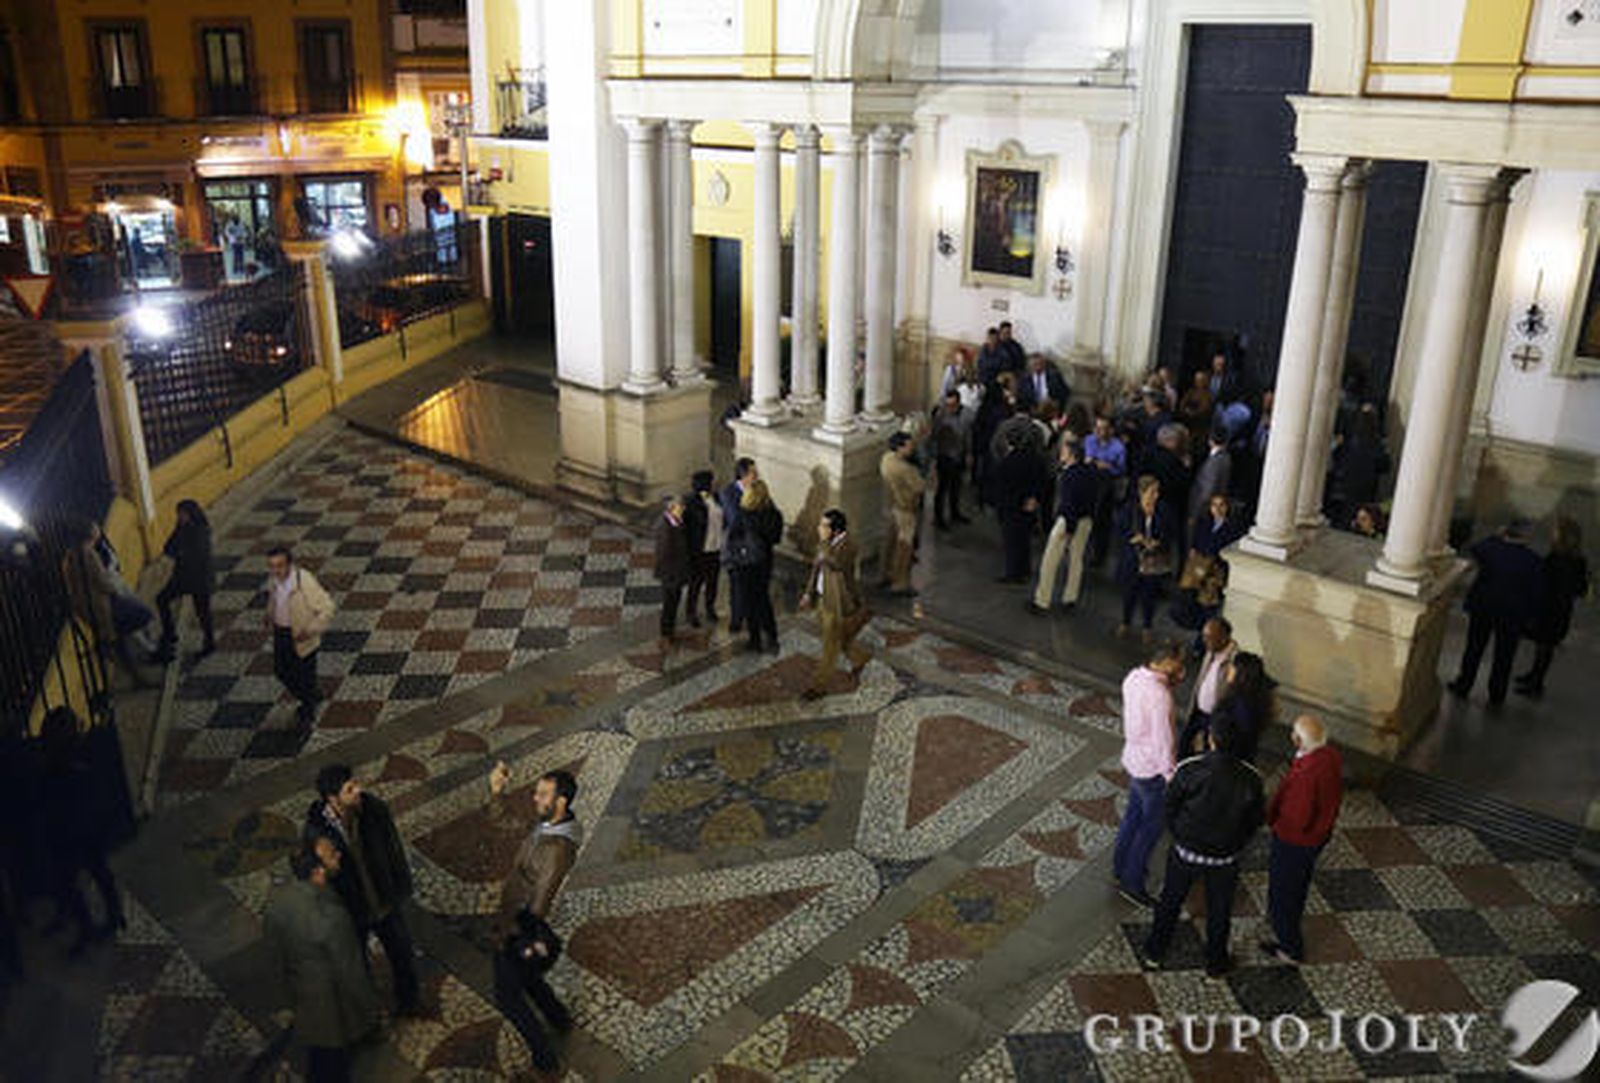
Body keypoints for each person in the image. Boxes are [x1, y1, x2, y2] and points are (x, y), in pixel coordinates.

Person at [1139, 710, 1265, 979]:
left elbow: (1170, 806)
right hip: (1224, 858)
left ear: (1211, 739)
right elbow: (1254, 821)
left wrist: (1180, 834)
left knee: (1170, 901)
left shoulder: (1190, 769)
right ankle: (1215, 962)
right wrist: (1236, 844)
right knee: (1219, 910)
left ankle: (1154, 952)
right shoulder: (1251, 778)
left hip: (1186, 851)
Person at [303, 765, 420, 1017]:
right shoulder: (316, 831)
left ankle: (409, 1001)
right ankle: (367, 1014)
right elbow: (313, 873)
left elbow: (393, 850)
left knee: (402, 952)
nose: (359, 791)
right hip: (352, 909)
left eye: (355, 784)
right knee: (356, 966)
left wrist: (400, 887)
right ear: (333, 799)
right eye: (350, 789)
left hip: (384, 898)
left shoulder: (374, 810)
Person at [489, 763, 580, 1073]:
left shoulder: (557, 847)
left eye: (543, 795)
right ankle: (559, 1018)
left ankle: (546, 1061)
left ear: (561, 802)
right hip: (515, 921)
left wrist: (512, 935)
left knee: (507, 997)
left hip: (520, 926)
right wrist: (497, 794)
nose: (535, 799)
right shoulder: (547, 825)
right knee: (527, 978)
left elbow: (539, 904)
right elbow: (509, 822)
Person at [264, 845, 380, 1083]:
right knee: (333, 1063)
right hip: (331, 1000)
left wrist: (283, 998)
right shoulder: (331, 917)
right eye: (331, 855)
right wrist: (368, 1008)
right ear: (318, 872)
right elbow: (350, 970)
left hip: (302, 992)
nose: (338, 854)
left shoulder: (278, 900)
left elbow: (274, 954)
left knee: (319, 1052)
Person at [38, 707, 125, 954]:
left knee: (73, 881)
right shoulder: (81, 761)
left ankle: (89, 928)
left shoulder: (59, 768)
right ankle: (113, 913)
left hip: (71, 829)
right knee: (98, 871)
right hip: (86, 826)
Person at [1261, 715, 1343, 965]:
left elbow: (1297, 817)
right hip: (1317, 836)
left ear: (1297, 740)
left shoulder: (1306, 775)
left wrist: (1274, 823)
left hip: (1295, 841)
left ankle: (1290, 947)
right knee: (1295, 887)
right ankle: (1287, 933)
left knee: (1284, 893)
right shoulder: (1329, 756)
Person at [1113, 644, 1184, 908]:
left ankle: (1121, 866)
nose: (1181, 668)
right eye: (1179, 663)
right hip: (1153, 770)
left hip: (1134, 761)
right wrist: (1170, 775)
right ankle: (1132, 883)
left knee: (1133, 817)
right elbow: (1163, 740)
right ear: (1167, 662)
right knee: (1150, 829)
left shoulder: (1133, 677)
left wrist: (1170, 684)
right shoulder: (1159, 695)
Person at [1447, 520, 1545, 707]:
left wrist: (1495, 536)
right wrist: (1532, 617)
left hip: (1484, 607)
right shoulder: (1533, 560)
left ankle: (1464, 684)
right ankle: (1496, 694)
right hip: (1513, 614)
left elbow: (1474, 548)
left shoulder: (1491, 549)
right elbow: (1536, 592)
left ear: (1506, 532)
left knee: (1474, 649)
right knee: (1504, 656)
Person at [64, 520, 158, 687]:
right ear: (89, 533)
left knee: (117, 641)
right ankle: (138, 676)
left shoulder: (72, 556)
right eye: (94, 527)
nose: (98, 529)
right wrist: (115, 591)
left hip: (90, 607)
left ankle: (136, 673)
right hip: (101, 606)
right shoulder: (88, 554)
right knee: (124, 633)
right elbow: (101, 581)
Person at [801, 508, 871, 700]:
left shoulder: (848, 546)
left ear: (837, 530)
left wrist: (823, 543)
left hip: (839, 603)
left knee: (830, 645)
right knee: (838, 638)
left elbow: (834, 563)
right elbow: (817, 567)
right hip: (823, 599)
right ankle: (860, 658)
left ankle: (819, 686)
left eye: (824, 525)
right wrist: (808, 593)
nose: (819, 528)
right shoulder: (825, 544)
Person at [1517, 517, 1590, 698]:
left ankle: (1536, 684)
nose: (1553, 533)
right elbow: (1580, 589)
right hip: (1561, 610)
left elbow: (1547, 582)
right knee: (1544, 646)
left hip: (1551, 609)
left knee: (1545, 647)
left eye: (1556, 530)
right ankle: (1534, 676)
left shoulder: (1559, 558)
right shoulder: (1577, 559)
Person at [264, 546, 334, 729]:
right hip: (282, 633)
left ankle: (308, 711)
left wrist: (311, 630)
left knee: (305, 675)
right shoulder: (274, 580)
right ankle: (310, 696)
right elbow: (274, 599)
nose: (275, 570)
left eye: (279, 565)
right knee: (281, 671)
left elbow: (327, 607)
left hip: (303, 637)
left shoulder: (304, 581)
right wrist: (269, 615)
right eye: (271, 566)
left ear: (289, 565)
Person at [1030, 439, 1101, 615]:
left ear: (1071, 455)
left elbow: (1069, 503)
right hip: (1086, 520)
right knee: (1076, 560)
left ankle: (1042, 600)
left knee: (1050, 559)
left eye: (1063, 451)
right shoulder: (1090, 473)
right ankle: (1070, 598)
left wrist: (1069, 528)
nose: (1061, 454)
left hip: (1067, 521)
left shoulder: (1068, 475)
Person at [155, 498, 215, 663]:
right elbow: (168, 547)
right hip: (182, 576)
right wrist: (180, 550)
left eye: (182, 514)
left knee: (203, 612)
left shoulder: (201, 530)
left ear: (191, 514)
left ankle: (209, 643)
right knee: (161, 599)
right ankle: (170, 633)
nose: (179, 517)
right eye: (178, 514)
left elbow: (196, 555)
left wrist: (180, 552)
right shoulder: (181, 528)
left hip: (199, 578)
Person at [727, 479, 783, 653]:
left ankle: (755, 640)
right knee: (763, 599)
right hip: (764, 561)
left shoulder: (743, 514)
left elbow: (732, 538)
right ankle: (772, 636)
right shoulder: (774, 514)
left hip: (745, 563)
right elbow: (776, 538)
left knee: (748, 601)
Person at [1118, 477, 1177, 640]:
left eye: (1157, 492)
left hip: (1153, 559)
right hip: (1133, 558)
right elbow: (1121, 529)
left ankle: (1147, 626)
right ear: (1141, 493)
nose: (1155, 496)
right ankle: (1125, 622)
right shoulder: (1130, 509)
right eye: (1152, 492)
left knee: (1149, 593)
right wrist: (1133, 538)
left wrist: (1158, 541)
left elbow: (1171, 532)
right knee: (1129, 591)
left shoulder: (1163, 510)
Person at [992, 427, 1048, 584]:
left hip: (1010, 506)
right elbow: (1042, 481)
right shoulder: (1036, 459)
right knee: (1024, 540)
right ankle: (1024, 569)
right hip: (1028, 505)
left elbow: (1001, 486)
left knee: (1011, 541)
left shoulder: (1007, 461)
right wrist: (1035, 499)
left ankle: (1012, 573)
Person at [1179, 617, 1237, 757]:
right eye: (1204, 635)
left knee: (1206, 753)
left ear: (1224, 638)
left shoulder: (1235, 660)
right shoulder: (1211, 650)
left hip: (1215, 717)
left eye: (1209, 637)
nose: (1204, 640)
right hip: (1198, 711)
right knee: (1183, 746)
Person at [1206, 651, 1274, 764]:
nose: (1229, 669)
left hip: (1229, 755)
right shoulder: (1254, 697)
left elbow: (1232, 733)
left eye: (1233, 666)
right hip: (1243, 754)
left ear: (1241, 673)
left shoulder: (1238, 702)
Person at [879, 432, 924, 593]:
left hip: (890, 506)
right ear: (900, 447)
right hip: (905, 508)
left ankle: (884, 574)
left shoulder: (886, 459)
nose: (912, 448)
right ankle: (900, 583)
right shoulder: (905, 468)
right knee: (904, 547)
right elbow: (920, 487)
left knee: (889, 544)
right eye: (909, 445)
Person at [721, 458, 758, 634]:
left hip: (754, 547)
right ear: (743, 474)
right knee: (737, 586)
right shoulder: (729, 492)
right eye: (753, 472)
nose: (756, 476)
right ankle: (736, 620)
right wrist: (750, 507)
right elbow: (734, 520)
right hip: (736, 547)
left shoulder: (758, 490)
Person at [683, 471, 723, 628]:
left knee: (713, 582)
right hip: (699, 550)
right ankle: (691, 612)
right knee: (696, 583)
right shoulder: (691, 503)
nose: (715, 483)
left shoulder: (717, 498)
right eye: (713, 481)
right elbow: (685, 529)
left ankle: (710, 608)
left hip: (715, 547)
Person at [654, 494, 691, 649]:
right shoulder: (664, 527)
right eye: (680, 507)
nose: (683, 509)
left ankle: (671, 631)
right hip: (670, 573)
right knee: (668, 604)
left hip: (678, 571)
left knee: (674, 602)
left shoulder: (678, 522)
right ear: (671, 509)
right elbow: (663, 553)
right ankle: (665, 635)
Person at [930, 391, 971, 530]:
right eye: (948, 405)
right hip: (944, 455)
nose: (950, 408)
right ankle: (938, 517)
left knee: (956, 486)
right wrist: (934, 458)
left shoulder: (967, 414)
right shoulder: (940, 415)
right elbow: (934, 437)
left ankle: (955, 512)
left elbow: (968, 434)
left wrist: (969, 453)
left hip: (959, 454)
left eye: (953, 405)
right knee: (942, 488)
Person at [1187, 426, 1232, 534]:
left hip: (1205, 509)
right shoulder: (1226, 457)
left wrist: (1195, 513)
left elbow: (1207, 490)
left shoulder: (1214, 463)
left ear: (1210, 441)